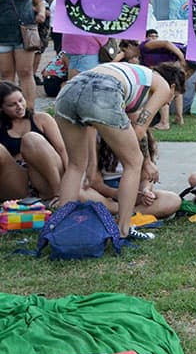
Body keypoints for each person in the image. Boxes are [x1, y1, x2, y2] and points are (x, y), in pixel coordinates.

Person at [53, 62, 186, 239]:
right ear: (173, 87)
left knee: (75, 165)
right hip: (103, 89)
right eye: (173, 97)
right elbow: (140, 130)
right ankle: (124, 229)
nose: (168, 102)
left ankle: (61, 229)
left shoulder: (136, 79)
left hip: (69, 89)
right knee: (133, 162)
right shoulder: (161, 85)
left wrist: (92, 163)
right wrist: (146, 162)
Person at [83, 130, 182, 220]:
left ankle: (121, 214)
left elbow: (145, 178)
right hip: (106, 194)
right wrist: (116, 194)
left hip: (133, 192)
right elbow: (95, 182)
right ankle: (117, 210)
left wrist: (146, 190)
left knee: (172, 200)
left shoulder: (140, 138)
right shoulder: (97, 138)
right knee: (78, 192)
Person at [0, 82, 66, 202]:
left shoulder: (42, 119)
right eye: (12, 105)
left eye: (21, 100)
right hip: (19, 181)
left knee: (31, 138)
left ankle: (59, 194)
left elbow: (62, 150)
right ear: (2, 108)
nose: (19, 106)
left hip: (47, 175)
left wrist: (73, 180)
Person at [0, 0, 48, 107]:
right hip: (2, 35)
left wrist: (41, 13)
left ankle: (29, 109)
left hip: (24, 34)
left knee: (26, 73)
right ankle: (10, 109)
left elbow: (39, 2)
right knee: (6, 75)